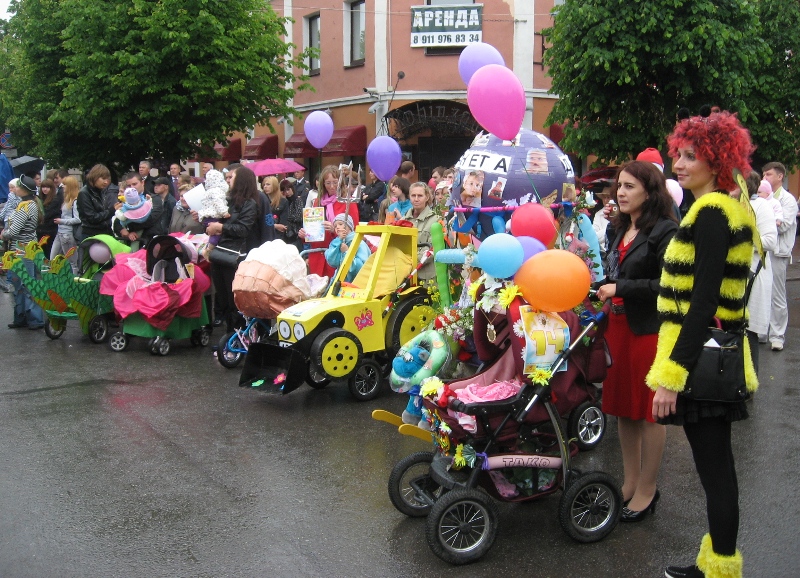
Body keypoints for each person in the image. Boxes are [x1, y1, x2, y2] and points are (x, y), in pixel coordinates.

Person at [647, 109, 759, 578]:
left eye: (691, 156)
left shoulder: (712, 212)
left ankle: (721, 569)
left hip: (698, 359)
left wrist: (672, 376)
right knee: (717, 470)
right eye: (678, 154)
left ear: (716, 160)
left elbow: (702, 302)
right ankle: (716, 562)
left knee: (715, 472)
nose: (680, 163)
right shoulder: (717, 209)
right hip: (707, 355)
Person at [595, 161, 678, 523]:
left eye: (629, 186)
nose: (621, 192)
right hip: (616, 328)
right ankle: (629, 483)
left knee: (648, 414)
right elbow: (612, 271)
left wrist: (621, 288)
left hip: (648, 332)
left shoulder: (666, 231)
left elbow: (669, 287)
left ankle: (648, 488)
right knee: (624, 410)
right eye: (619, 186)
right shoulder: (618, 228)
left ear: (650, 190)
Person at [731, 171, 777, 373]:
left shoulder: (761, 206)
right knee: (733, 328)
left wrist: (740, 239)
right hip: (734, 275)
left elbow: (770, 241)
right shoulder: (732, 206)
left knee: (749, 331)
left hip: (754, 276)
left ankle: (748, 385)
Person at [205, 166, 259, 332]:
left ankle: (237, 336)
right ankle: (230, 335)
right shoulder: (226, 200)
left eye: (231, 177)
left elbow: (243, 229)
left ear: (241, 180)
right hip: (219, 253)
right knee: (223, 299)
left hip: (234, 257)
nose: (228, 180)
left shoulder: (249, 204)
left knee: (233, 299)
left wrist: (220, 227)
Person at [299, 165, 360, 278]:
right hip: (317, 257)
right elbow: (313, 231)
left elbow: (354, 232)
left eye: (335, 182)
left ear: (340, 182)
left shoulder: (348, 202)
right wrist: (304, 234)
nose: (332, 186)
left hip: (337, 256)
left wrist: (334, 230)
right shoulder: (317, 201)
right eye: (328, 183)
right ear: (322, 184)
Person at [761, 162, 797, 351]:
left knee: (777, 295)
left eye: (768, 175)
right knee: (761, 290)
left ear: (780, 176)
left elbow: (783, 226)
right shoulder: (763, 198)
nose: (764, 178)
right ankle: (762, 330)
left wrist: (765, 222)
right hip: (763, 250)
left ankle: (777, 335)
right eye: (764, 175)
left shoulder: (787, 200)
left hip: (778, 252)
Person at [2, 175, 45, 329]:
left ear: (24, 190)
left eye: (18, 186)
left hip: (21, 250)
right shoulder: (31, 204)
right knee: (20, 284)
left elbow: (13, 231)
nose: (15, 189)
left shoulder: (24, 207)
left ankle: (34, 319)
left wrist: (3, 233)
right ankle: (22, 317)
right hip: (26, 249)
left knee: (25, 284)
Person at [113, 172, 164, 247]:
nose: (132, 188)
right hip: (131, 242)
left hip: (149, 242)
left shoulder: (154, 199)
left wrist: (128, 228)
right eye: (129, 185)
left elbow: (149, 220)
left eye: (134, 184)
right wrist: (122, 229)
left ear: (142, 182)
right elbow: (118, 220)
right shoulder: (126, 201)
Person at [404, 182, 438, 281]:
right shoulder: (403, 220)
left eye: (420, 196)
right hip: (405, 276)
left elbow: (432, 250)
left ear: (427, 197)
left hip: (426, 278)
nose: (416, 199)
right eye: (413, 195)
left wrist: (407, 261)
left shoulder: (436, 220)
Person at [324, 214, 370, 282]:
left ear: (349, 226)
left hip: (357, 283)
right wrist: (338, 243)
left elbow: (362, 267)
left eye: (340, 224)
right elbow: (332, 260)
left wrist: (346, 252)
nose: (337, 227)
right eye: (335, 226)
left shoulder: (359, 242)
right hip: (340, 282)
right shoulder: (336, 242)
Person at [193, 169, 229, 254]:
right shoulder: (217, 191)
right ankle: (208, 250)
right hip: (214, 217)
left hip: (206, 217)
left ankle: (208, 248)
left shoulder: (208, 191)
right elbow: (218, 202)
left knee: (212, 234)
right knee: (216, 234)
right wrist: (225, 212)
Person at [50, 176, 81, 274]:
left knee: (72, 261)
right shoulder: (67, 200)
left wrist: (62, 221)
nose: (62, 186)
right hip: (60, 233)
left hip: (67, 234)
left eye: (65, 184)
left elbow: (77, 219)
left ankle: (75, 282)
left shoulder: (75, 201)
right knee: (53, 258)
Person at [76, 164, 116, 240]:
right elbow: (92, 218)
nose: (106, 182)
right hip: (91, 234)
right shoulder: (84, 193)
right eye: (103, 179)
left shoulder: (102, 191)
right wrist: (111, 210)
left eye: (107, 179)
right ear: (95, 177)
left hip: (106, 232)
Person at [36, 178, 62, 258]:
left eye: (47, 187)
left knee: (49, 253)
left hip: (50, 231)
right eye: (43, 187)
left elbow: (47, 214)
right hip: (40, 230)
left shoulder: (55, 200)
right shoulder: (40, 199)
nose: (45, 189)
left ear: (52, 188)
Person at [279, 178, 304, 252]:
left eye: (288, 189)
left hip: (295, 233)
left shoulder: (297, 200)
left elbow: (298, 217)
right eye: (284, 191)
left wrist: (287, 216)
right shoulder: (283, 202)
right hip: (284, 233)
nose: (287, 192)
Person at [262, 175, 288, 242]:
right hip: (264, 236)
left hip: (278, 237)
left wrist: (270, 225)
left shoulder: (283, 201)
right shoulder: (262, 200)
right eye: (264, 184)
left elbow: (283, 226)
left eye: (268, 184)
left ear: (274, 186)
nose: (265, 186)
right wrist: (275, 225)